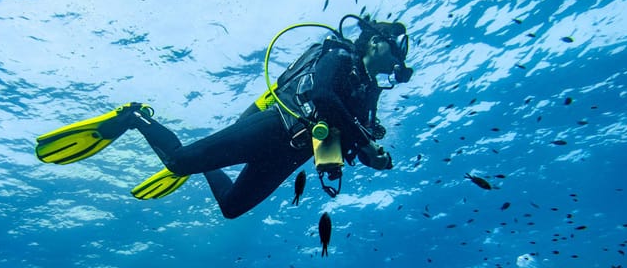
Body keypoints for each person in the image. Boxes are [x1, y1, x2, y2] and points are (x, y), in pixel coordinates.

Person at [35, 14, 414, 219]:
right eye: (397, 46)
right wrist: (364, 140)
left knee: (232, 208)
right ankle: (134, 116)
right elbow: (320, 96)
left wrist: (373, 157)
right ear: (376, 41)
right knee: (179, 161)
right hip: (276, 127)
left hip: (291, 154)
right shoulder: (340, 57)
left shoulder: (369, 93)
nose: (400, 58)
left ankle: (202, 160)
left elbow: (350, 143)